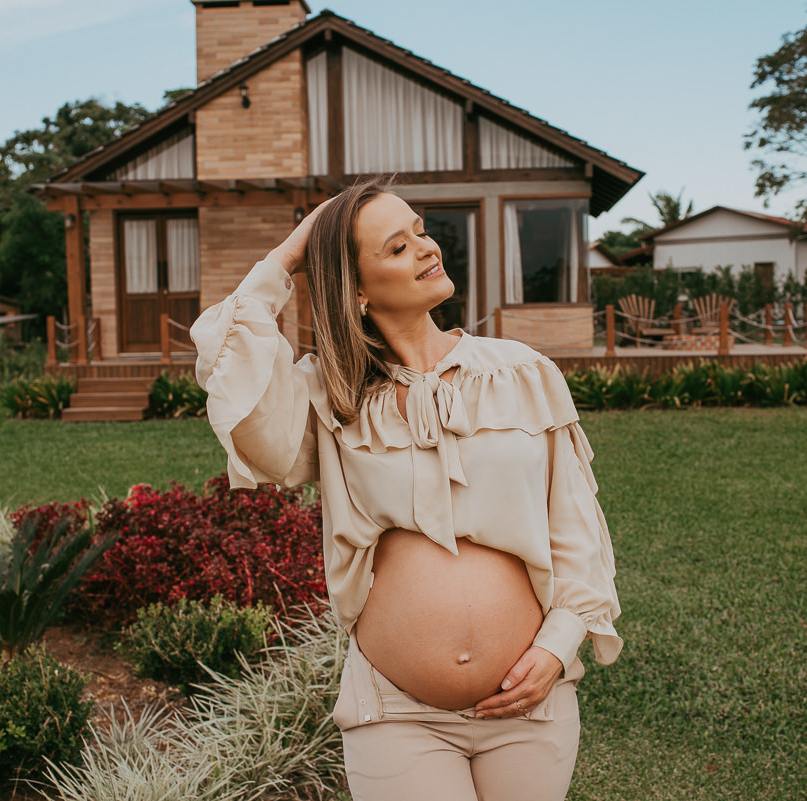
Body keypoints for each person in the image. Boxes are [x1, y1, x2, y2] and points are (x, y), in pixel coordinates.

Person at [191, 178, 621, 801]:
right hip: (396, 713)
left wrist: (558, 648)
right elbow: (233, 377)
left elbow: (577, 526)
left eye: (421, 231)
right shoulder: (327, 395)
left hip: (529, 702)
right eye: (398, 247)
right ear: (357, 289)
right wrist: (289, 256)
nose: (427, 249)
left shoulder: (523, 371)